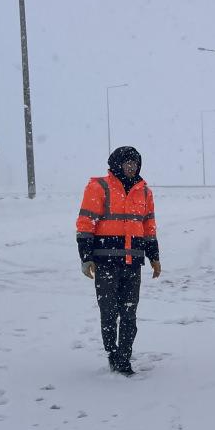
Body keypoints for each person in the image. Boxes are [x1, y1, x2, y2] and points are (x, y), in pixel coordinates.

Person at [76, 146, 161, 375]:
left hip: (132, 263)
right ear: (117, 164)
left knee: (129, 313)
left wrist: (154, 256)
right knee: (109, 312)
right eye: (127, 163)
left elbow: (149, 227)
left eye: (134, 163)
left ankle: (124, 357)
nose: (131, 167)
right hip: (105, 263)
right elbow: (85, 224)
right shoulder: (99, 187)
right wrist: (86, 257)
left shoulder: (145, 192)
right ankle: (112, 353)